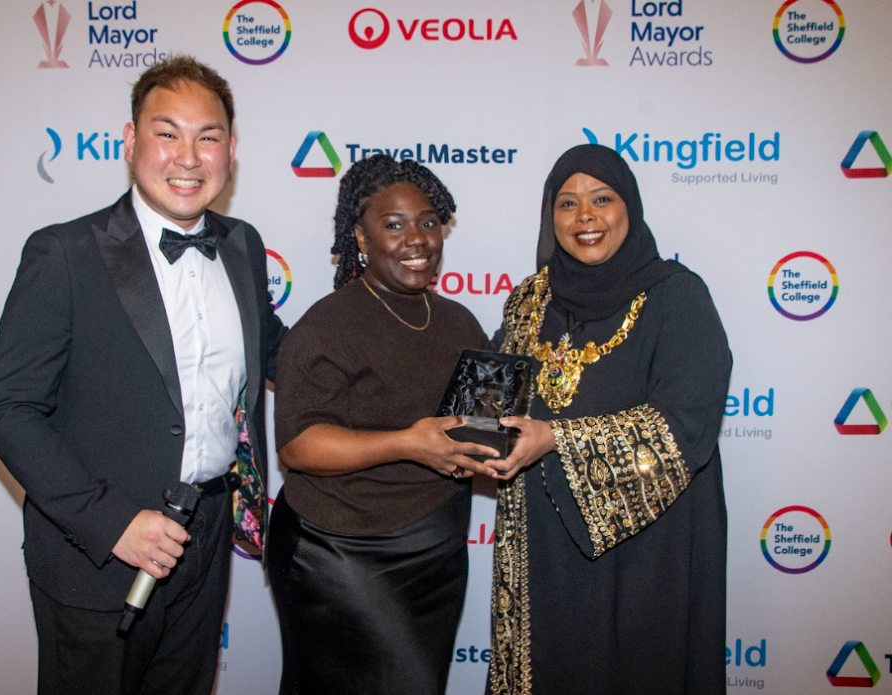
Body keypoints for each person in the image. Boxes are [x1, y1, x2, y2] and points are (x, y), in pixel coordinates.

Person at [0, 55, 285, 695]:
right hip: (96, 551)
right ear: (129, 140)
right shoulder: (64, 252)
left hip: (206, 530)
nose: (188, 158)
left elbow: (278, 350)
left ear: (231, 150)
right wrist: (113, 522)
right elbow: (7, 410)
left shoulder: (243, 244)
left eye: (208, 137)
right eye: (167, 133)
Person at [485, 144, 731, 695]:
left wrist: (558, 439)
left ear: (629, 208)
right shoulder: (529, 300)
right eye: (567, 203)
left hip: (652, 546)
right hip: (544, 544)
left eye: (601, 199)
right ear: (550, 217)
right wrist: (469, 437)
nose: (585, 217)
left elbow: (686, 421)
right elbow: (497, 399)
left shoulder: (677, 296)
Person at [268, 155, 499, 695]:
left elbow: (480, 430)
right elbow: (298, 445)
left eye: (428, 222)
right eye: (394, 225)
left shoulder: (460, 322)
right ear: (361, 236)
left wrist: (494, 443)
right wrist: (408, 443)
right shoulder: (325, 326)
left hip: (436, 552)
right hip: (339, 553)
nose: (417, 239)